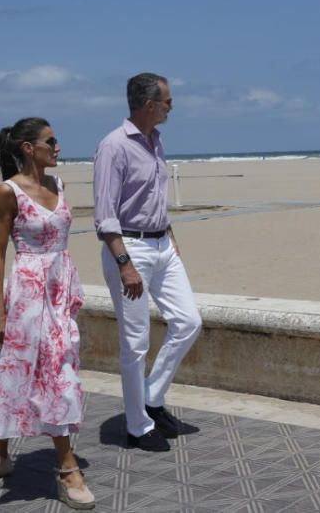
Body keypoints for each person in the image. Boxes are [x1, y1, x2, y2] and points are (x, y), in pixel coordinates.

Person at [0, 117, 95, 509]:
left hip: (61, 286)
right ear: (29, 148)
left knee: (43, 369)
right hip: (29, 290)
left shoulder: (58, 184)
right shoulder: (8, 191)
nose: (58, 147)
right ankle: (67, 468)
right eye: (51, 140)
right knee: (49, 373)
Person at [93, 73, 202, 452]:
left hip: (162, 245)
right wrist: (124, 263)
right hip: (129, 249)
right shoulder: (113, 146)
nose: (172, 106)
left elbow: (151, 196)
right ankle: (137, 426)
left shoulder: (156, 141)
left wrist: (168, 232)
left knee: (189, 321)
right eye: (168, 101)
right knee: (135, 344)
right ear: (149, 104)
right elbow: (105, 215)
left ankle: (152, 399)